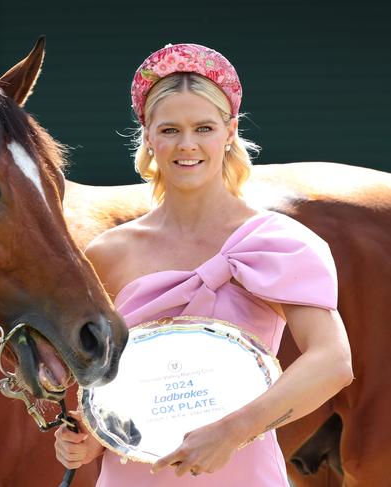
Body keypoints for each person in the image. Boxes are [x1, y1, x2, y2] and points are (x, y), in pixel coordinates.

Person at [54, 43, 353, 486]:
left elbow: (332, 363)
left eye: (204, 127)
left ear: (229, 131)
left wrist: (232, 432)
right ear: (148, 136)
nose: (187, 145)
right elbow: (107, 389)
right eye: (170, 129)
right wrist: (89, 438)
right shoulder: (106, 254)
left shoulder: (278, 243)